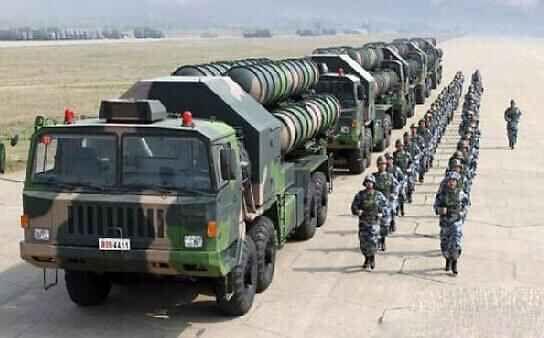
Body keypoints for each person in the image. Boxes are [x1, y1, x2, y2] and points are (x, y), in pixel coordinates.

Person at [433, 172, 469, 275]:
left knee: (455, 243)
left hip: (456, 222)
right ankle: (447, 259)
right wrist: (439, 210)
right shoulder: (442, 194)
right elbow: (435, 206)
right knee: (445, 245)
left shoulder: (460, 193)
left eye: (454, 181)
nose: (452, 183)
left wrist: (462, 214)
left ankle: (454, 262)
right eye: (450, 180)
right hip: (445, 222)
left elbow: (466, 204)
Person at [351, 175, 387, 271]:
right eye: (367, 182)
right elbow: (354, 206)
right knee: (363, 243)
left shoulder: (378, 195)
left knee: (373, 241)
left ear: (373, 183)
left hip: (374, 222)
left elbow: (385, 205)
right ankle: (366, 259)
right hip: (363, 223)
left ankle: (372, 258)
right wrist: (357, 211)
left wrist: (381, 213)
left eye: (370, 182)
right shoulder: (360, 195)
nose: (368, 183)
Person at [372, 156, 399, 251]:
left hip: (387, 204)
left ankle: (383, 239)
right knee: (375, 224)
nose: (382, 166)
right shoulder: (373, 177)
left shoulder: (389, 176)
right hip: (376, 205)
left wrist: (393, 195)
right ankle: (379, 241)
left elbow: (396, 187)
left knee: (385, 225)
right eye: (380, 164)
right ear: (377, 165)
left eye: (383, 164)